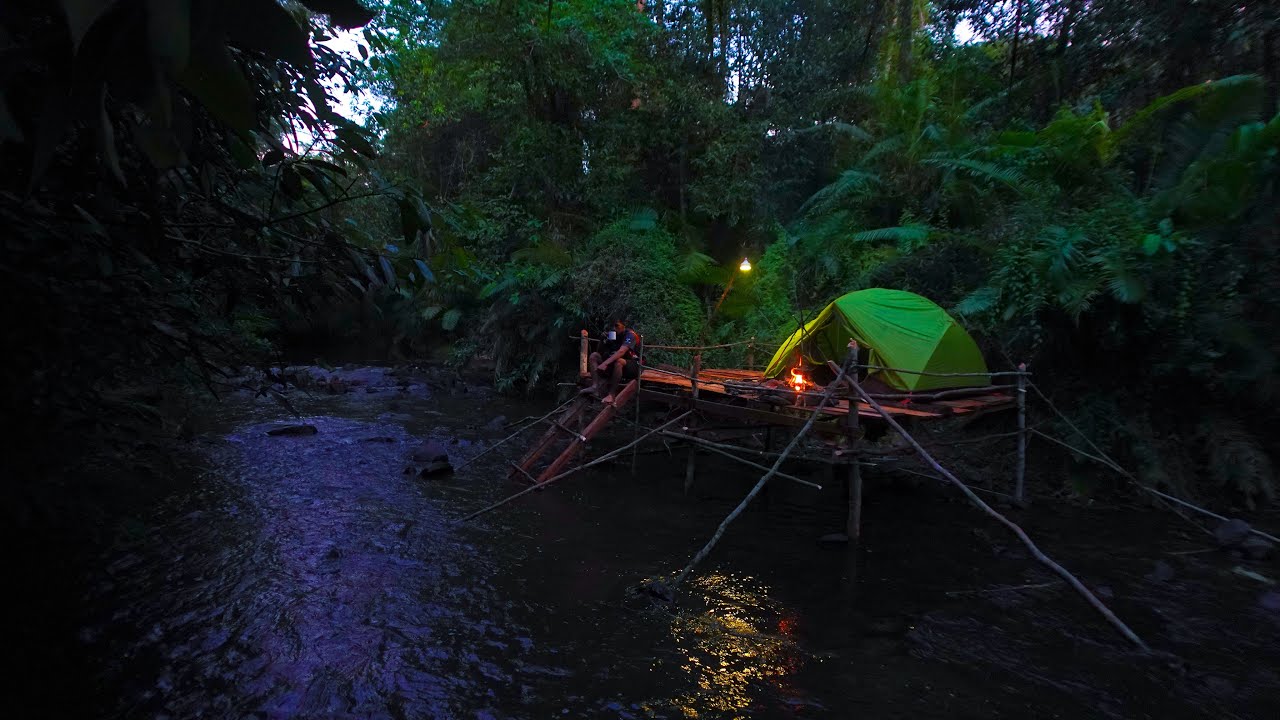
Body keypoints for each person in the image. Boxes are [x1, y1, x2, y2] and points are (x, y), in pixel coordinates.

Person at [584, 319, 641, 404]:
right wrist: (602, 339)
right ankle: (595, 386)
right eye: (614, 326)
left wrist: (605, 363)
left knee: (619, 361)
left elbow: (622, 351)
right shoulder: (613, 334)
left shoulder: (630, 335)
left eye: (617, 325)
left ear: (623, 326)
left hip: (633, 364)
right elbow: (601, 351)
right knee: (594, 355)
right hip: (614, 363)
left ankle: (611, 395)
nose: (615, 328)